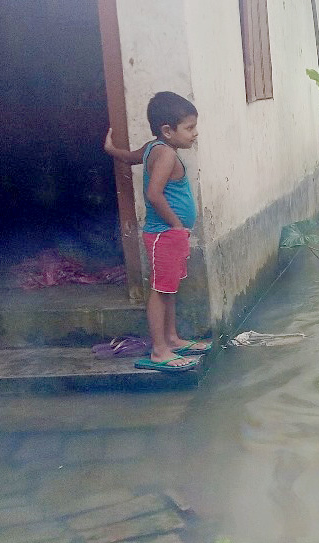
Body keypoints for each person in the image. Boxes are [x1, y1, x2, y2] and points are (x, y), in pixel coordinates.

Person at [103, 91, 210, 372]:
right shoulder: (166, 154)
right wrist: (176, 225)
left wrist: (112, 151)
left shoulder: (153, 147)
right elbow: (154, 194)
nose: (194, 134)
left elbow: (130, 157)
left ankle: (172, 339)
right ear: (168, 130)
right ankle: (160, 350)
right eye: (189, 128)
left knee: (169, 287)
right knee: (160, 290)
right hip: (165, 233)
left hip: (168, 234)